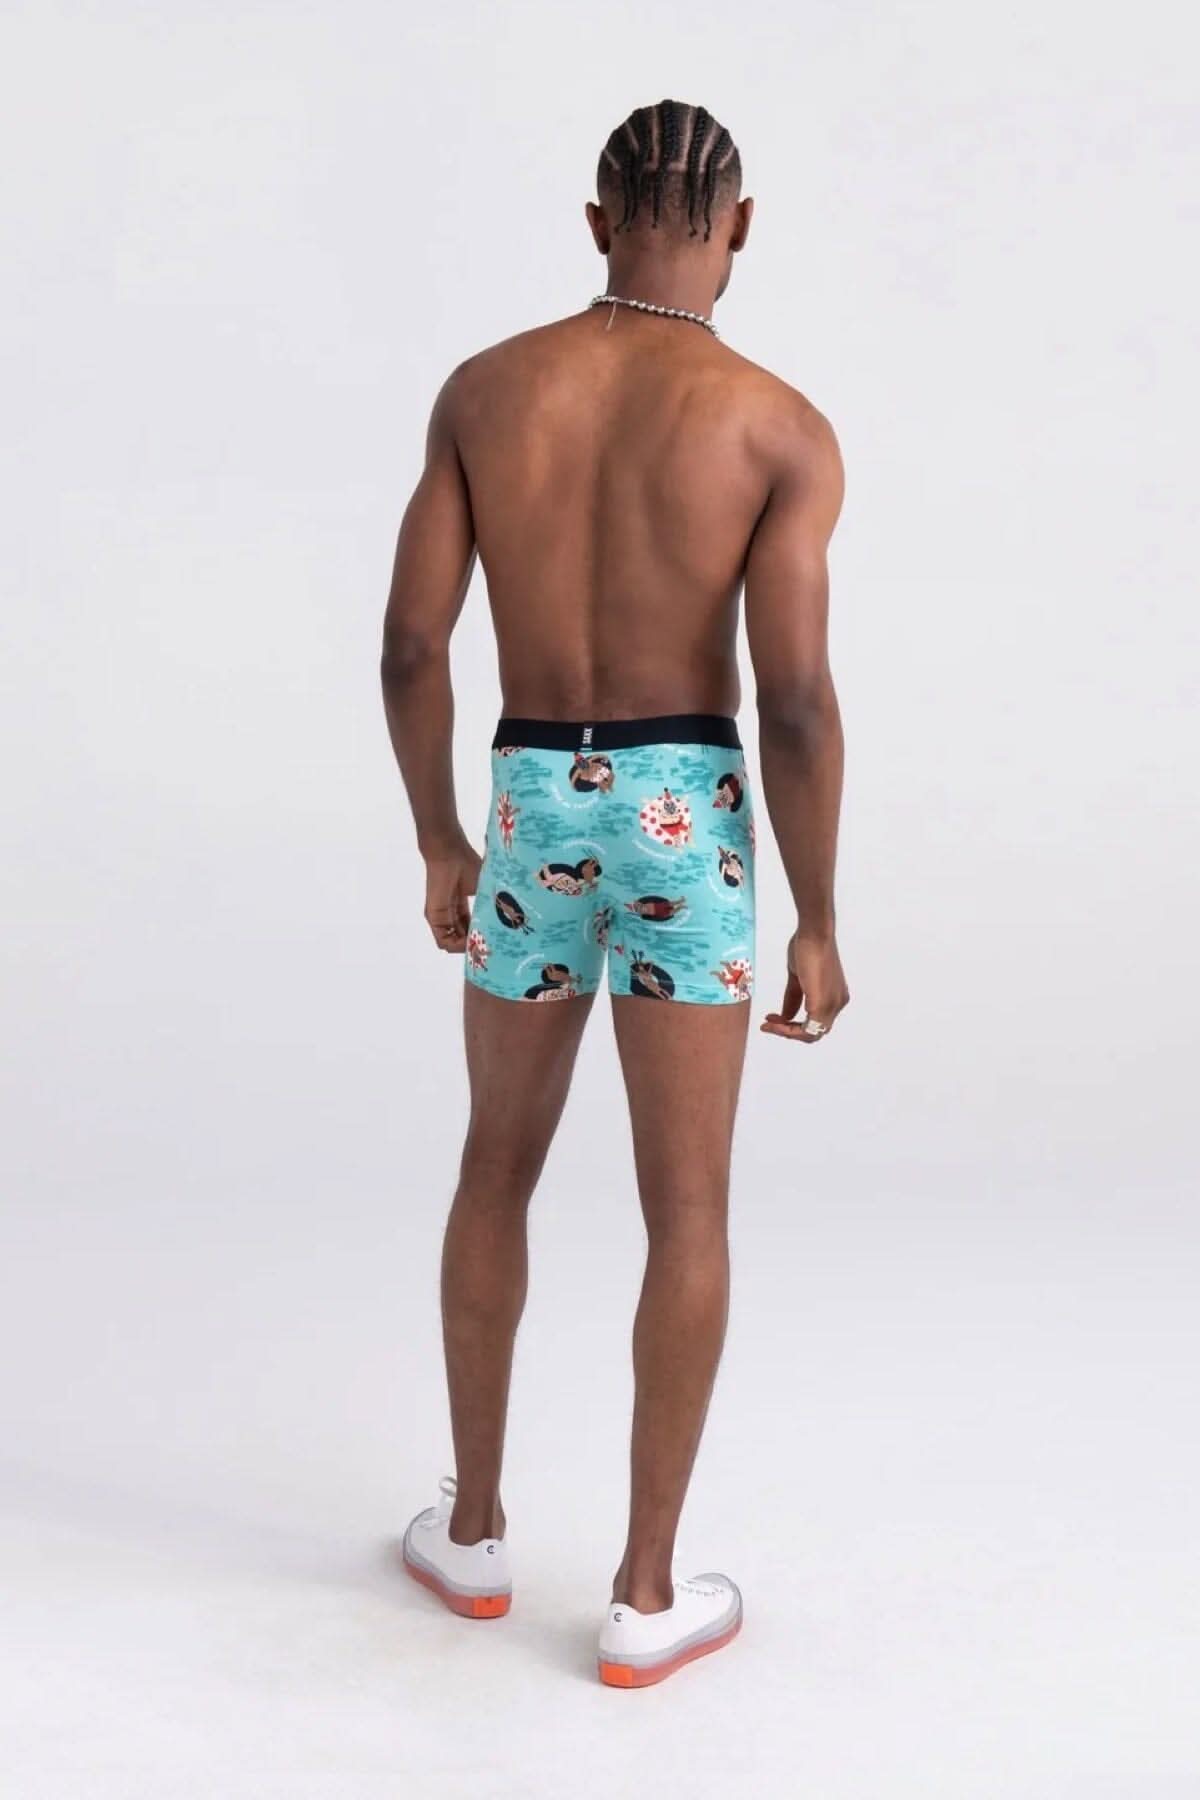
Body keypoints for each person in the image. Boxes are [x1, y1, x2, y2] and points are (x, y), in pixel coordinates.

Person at [382, 96, 849, 1688]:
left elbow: (411, 646)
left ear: (597, 224)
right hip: (687, 813)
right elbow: (796, 703)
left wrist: (440, 839)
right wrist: (817, 913)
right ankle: (648, 1597)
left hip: (531, 798)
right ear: (741, 227)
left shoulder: (486, 390)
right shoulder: (776, 425)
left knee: (494, 1166)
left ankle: (476, 1535)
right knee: (689, 1204)